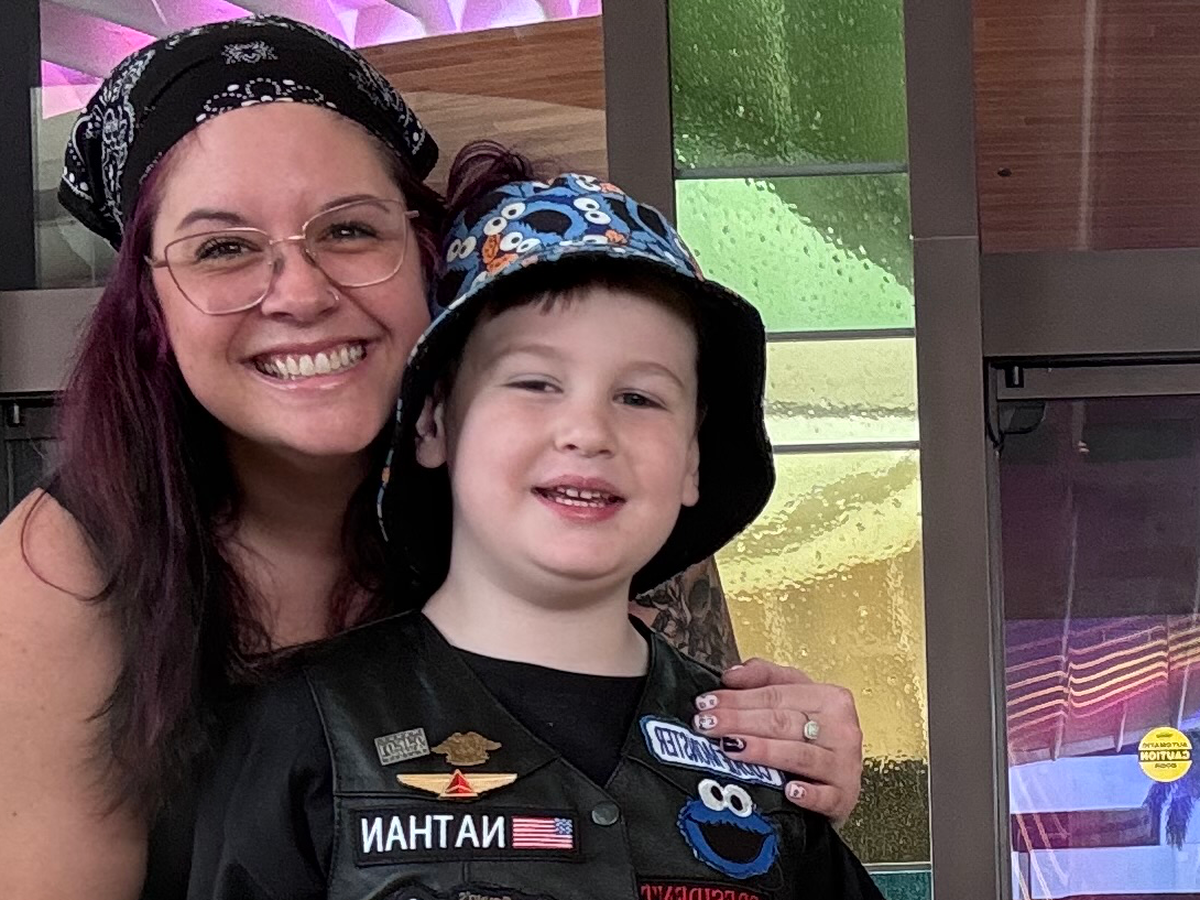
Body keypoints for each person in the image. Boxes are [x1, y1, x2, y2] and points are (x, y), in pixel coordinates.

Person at [0, 16, 864, 900]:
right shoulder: (63, 573)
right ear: (149, 304)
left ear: (423, 252)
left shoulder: (572, 495)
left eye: (348, 230)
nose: (300, 293)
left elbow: (687, 771)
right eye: (223, 248)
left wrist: (793, 753)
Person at [185, 148, 883, 900]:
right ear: (435, 420)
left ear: (692, 460)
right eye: (535, 382)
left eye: (640, 398)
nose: (588, 431)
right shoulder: (306, 728)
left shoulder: (761, 752)